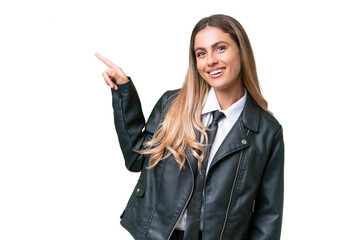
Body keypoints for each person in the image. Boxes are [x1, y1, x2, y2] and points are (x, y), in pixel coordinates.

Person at [96, 14, 284, 240]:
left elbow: (268, 213)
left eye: (220, 48)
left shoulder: (266, 131)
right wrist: (123, 92)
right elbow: (136, 159)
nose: (210, 60)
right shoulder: (172, 106)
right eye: (201, 53)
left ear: (241, 51)